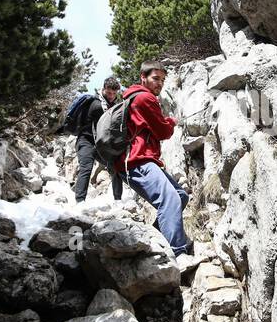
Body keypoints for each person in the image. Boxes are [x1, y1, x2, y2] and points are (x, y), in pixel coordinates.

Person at [115, 61, 192, 256]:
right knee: (171, 199)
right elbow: (163, 131)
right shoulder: (144, 98)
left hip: (137, 161)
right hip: (137, 160)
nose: (159, 84)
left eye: (162, 80)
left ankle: (156, 237)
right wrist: (172, 122)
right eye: (155, 79)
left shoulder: (133, 97)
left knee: (180, 196)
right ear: (143, 77)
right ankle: (178, 252)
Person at [69, 76, 123, 203]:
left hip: (101, 144)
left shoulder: (112, 105)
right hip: (86, 140)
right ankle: (80, 202)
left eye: (114, 94)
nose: (111, 96)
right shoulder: (96, 104)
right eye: (109, 93)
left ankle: (118, 200)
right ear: (103, 89)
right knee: (86, 168)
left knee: (115, 167)